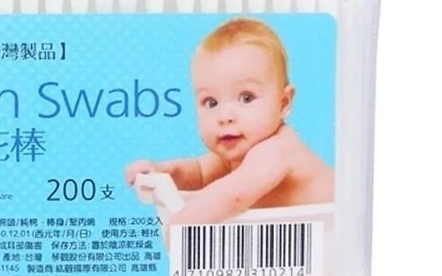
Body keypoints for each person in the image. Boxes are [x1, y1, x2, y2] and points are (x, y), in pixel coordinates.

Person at [125, 18, 333, 226]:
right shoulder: (234, 155)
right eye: (211, 102)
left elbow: (233, 197)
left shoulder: (278, 149)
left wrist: (180, 226)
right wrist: (162, 172)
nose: (225, 116)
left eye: (246, 98)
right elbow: (198, 173)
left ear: (283, 103)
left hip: (335, 232)